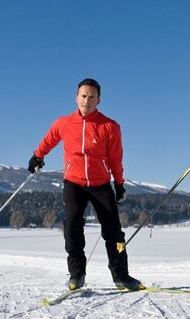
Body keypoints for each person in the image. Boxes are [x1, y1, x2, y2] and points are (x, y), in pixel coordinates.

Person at [28, 78, 144, 291]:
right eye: (83, 96)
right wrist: (37, 156)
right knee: (72, 226)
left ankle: (121, 276)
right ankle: (76, 274)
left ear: (99, 100)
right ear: (76, 97)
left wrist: (119, 184)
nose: (87, 101)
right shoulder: (63, 123)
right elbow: (49, 140)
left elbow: (115, 159)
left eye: (92, 97)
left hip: (101, 184)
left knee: (114, 232)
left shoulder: (110, 126)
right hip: (74, 183)